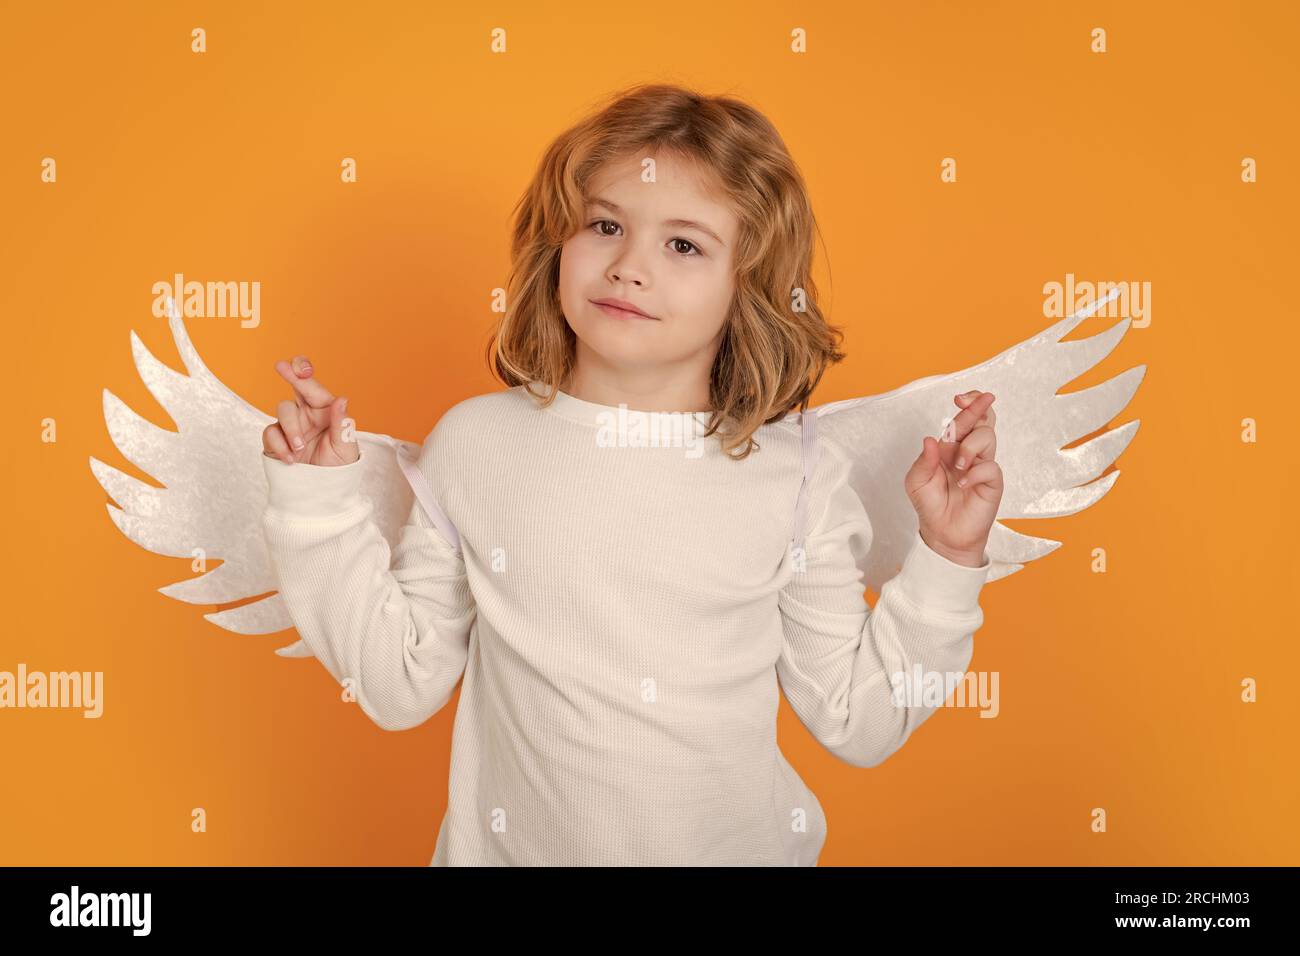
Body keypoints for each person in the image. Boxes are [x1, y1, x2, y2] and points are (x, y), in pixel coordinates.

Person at [259, 82, 1003, 866]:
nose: (627, 266)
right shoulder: (475, 446)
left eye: (683, 245)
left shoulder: (799, 475)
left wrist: (948, 563)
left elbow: (861, 721)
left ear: (744, 290)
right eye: (606, 225)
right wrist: (316, 508)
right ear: (558, 246)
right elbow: (401, 682)